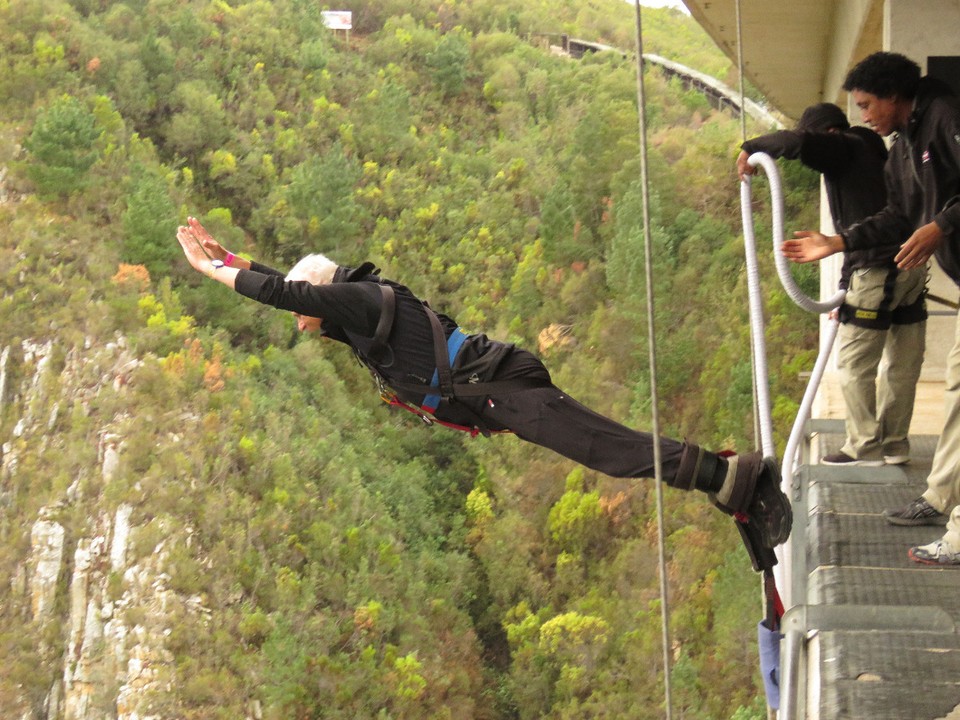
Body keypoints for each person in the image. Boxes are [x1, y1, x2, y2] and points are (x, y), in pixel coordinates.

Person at [174, 217, 792, 549]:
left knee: (607, 449)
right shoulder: (356, 320)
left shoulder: (355, 303)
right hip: (496, 391)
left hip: (501, 387)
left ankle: (732, 480)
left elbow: (286, 293)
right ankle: (726, 482)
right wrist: (232, 259)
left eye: (309, 312)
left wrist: (212, 274)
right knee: (606, 447)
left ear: (325, 299)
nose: (304, 323)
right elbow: (289, 285)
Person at [780, 52, 960, 563]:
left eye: (865, 104)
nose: (863, 115)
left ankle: (953, 525)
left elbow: (929, 217)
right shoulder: (903, 145)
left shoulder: (946, 117)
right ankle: (940, 497)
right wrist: (838, 243)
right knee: (956, 389)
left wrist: (941, 225)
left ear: (893, 95)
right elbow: (899, 214)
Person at [739, 102, 926, 468]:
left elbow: (799, 142)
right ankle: (894, 443)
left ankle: (864, 446)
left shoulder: (841, 148)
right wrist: (845, 289)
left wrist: (751, 147)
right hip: (910, 267)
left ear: (827, 133)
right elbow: (860, 225)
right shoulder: (874, 150)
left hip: (877, 272)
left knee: (855, 362)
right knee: (903, 362)